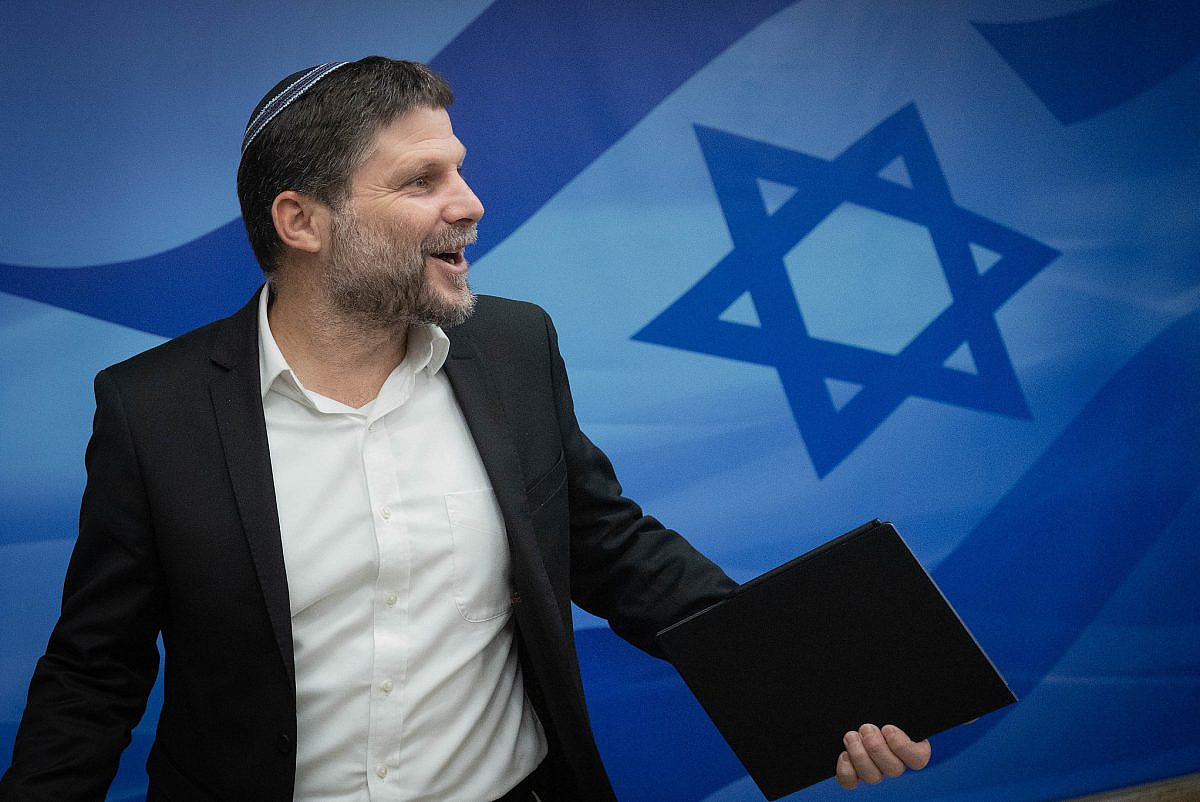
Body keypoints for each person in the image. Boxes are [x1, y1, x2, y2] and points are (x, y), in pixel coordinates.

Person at [0, 57, 930, 801]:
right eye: (422, 180)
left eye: (459, 168)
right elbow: (94, 673)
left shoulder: (515, 348)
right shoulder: (152, 410)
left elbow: (614, 551)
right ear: (301, 221)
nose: (471, 202)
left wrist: (823, 692)